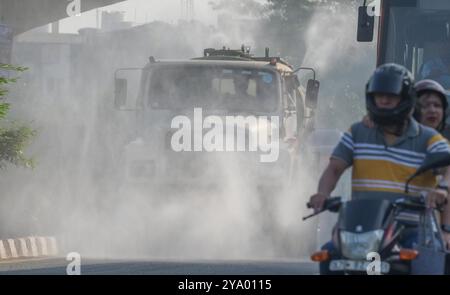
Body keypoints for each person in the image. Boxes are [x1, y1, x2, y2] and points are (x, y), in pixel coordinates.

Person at [308, 63, 450, 274]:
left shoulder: (428, 138)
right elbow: (334, 169)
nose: (383, 101)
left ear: (404, 98)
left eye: (390, 96)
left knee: (426, 261)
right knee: (329, 253)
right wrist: (322, 193)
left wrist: (442, 189)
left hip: (409, 230)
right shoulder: (357, 132)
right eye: (378, 96)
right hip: (363, 228)